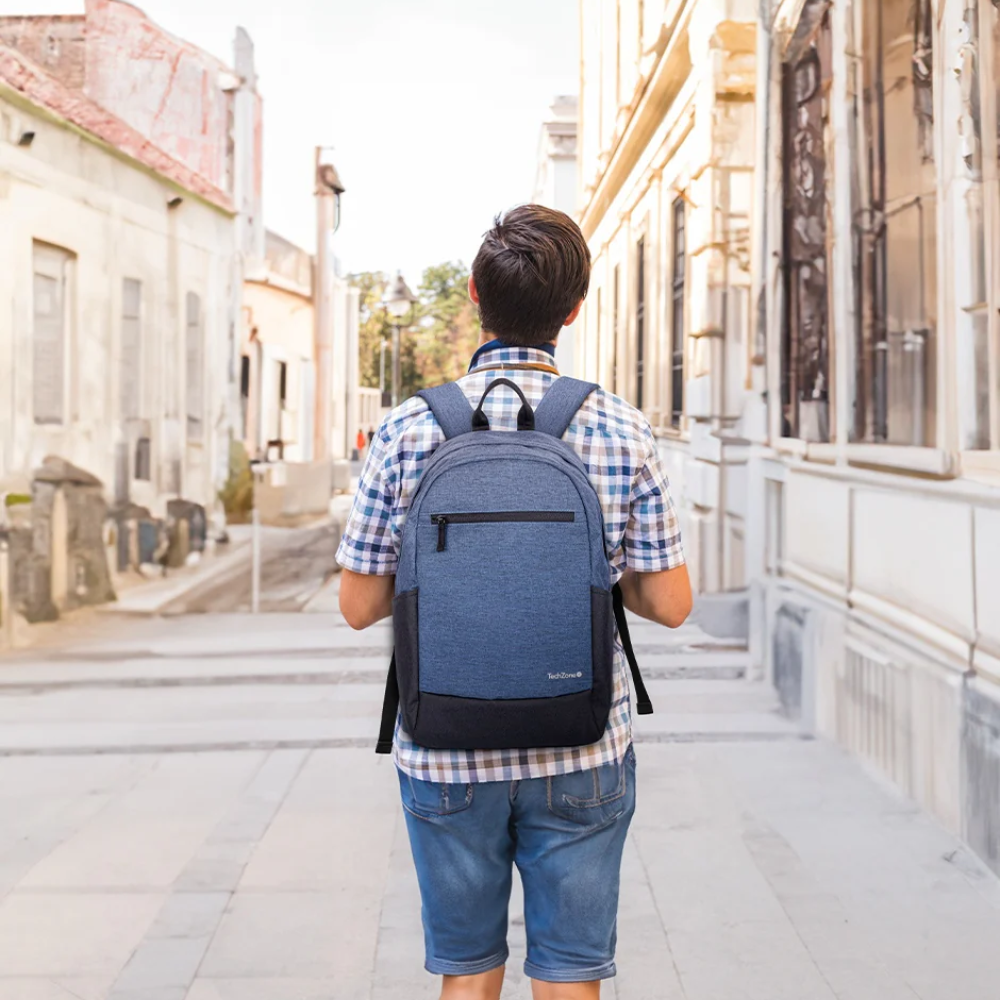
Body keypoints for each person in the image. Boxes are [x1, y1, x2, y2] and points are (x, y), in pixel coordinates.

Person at [336, 204, 691, 1000]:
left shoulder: (405, 430)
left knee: (467, 971)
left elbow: (358, 606)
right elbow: (670, 604)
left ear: (473, 295)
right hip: (584, 746)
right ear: (575, 308)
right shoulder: (620, 428)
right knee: (569, 973)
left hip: (445, 745)